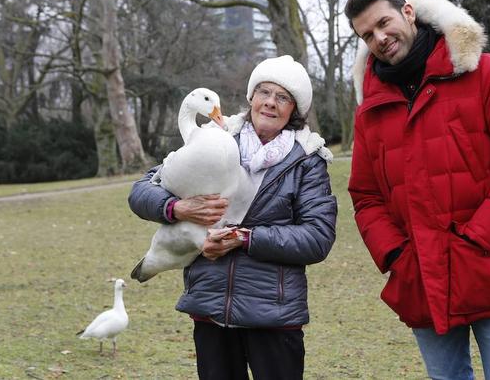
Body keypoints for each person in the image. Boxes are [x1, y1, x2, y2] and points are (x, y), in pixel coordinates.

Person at [345, 0, 490, 380]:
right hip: (421, 277)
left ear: (408, 12)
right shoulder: (370, 111)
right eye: (367, 35)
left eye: (383, 23)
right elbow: (366, 195)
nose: (379, 38)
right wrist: (396, 256)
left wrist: (480, 236)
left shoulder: (486, 73)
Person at [128, 55, 337, 380]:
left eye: (282, 97)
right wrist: (176, 209)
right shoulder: (214, 139)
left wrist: (244, 239)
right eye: (264, 92)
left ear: (294, 111)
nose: (270, 102)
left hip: (274, 316)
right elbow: (141, 191)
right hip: (211, 309)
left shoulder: (307, 161)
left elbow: (317, 238)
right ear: (251, 97)